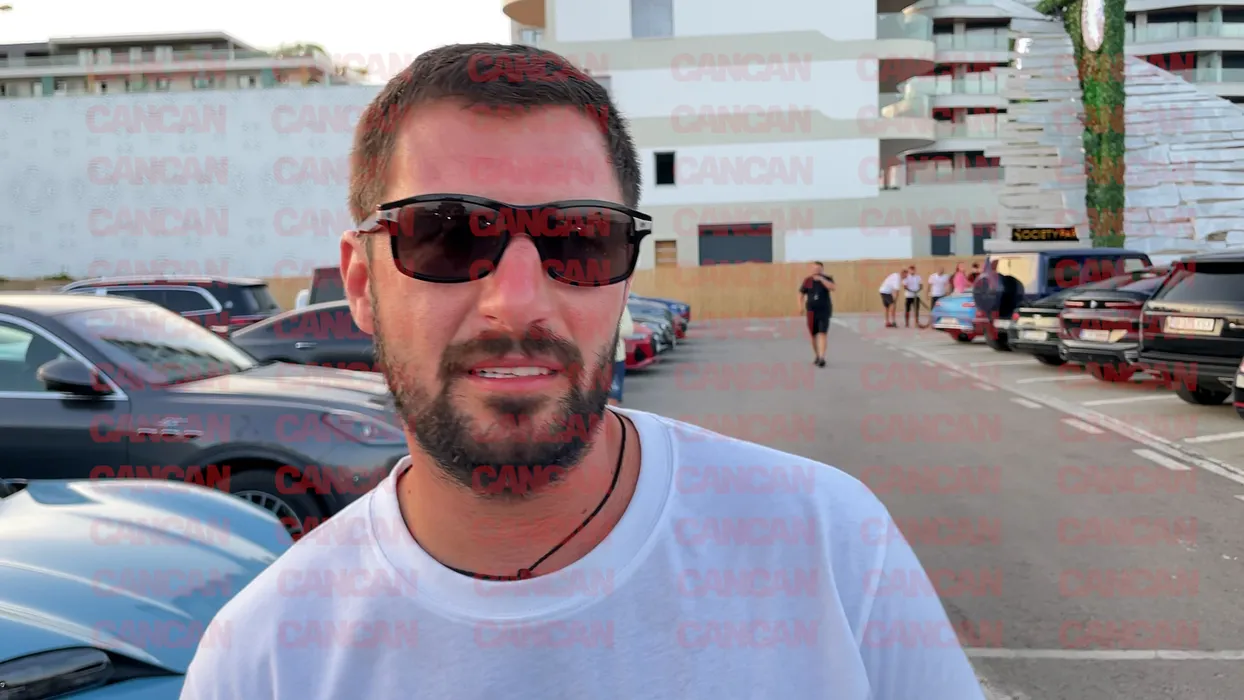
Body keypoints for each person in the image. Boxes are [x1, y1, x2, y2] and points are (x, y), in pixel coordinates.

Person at [179, 43, 984, 700]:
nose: (517, 304)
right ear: (361, 283)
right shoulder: (262, 660)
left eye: (579, 239)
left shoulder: (829, 545)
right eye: (447, 236)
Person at [799, 261, 834, 366]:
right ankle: (817, 355)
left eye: (819, 269)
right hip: (811, 311)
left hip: (824, 310)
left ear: (822, 270)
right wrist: (800, 307)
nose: (816, 271)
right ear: (811, 270)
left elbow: (832, 287)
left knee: (822, 333)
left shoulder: (827, 278)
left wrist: (822, 279)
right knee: (814, 334)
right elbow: (801, 294)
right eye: (814, 269)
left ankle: (822, 357)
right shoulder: (807, 281)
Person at [608, 304, 633, 405]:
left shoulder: (620, 304)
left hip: (615, 359)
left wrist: (606, 331)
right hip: (590, 360)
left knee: (613, 396)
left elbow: (628, 329)